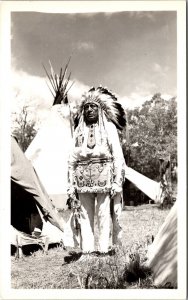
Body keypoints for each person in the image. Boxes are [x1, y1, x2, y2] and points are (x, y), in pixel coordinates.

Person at [67, 86, 127, 256]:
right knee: (84, 214)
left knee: (103, 213)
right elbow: (71, 159)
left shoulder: (109, 127)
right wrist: (70, 184)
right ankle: (87, 250)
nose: (89, 110)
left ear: (100, 109)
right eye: (86, 107)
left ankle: (102, 249)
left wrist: (117, 182)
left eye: (93, 106)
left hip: (105, 176)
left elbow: (118, 156)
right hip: (82, 179)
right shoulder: (79, 130)